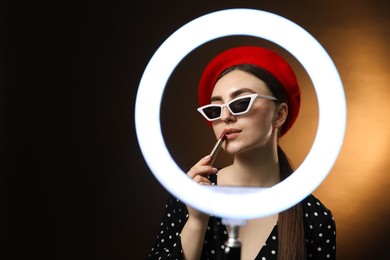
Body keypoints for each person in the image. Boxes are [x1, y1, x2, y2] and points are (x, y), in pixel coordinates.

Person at [147, 46, 336, 260]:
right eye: (215, 109)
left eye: (241, 103)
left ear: (280, 114)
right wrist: (196, 222)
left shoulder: (314, 218)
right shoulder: (191, 193)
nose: (225, 117)